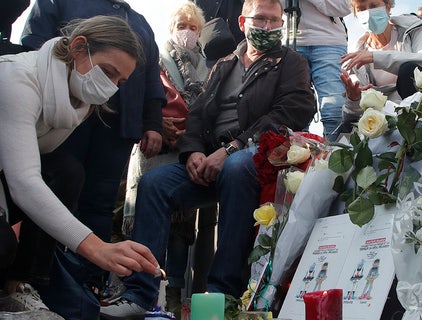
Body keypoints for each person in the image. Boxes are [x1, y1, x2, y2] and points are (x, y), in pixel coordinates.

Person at [99, 0, 316, 317]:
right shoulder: (224, 64)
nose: (268, 28)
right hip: (211, 157)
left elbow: (292, 111)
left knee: (237, 167)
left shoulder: (291, 63)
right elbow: (198, 115)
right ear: (242, 22)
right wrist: (193, 153)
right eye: (261, 20)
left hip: (255, 155)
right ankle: (139, 295)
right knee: (154, 184)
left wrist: (230, 149)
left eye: (274, 21)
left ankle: (222, 294)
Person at [0, 16, 158, 313]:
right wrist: (98, 248)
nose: (110, 87)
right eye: (108, 72)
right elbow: (24, 182)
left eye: (119, 81)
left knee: (66, 171)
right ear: (78, 47)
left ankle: (20, 285)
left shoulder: (77, 102)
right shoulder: (16, 79)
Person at [116, 1, 212, 314]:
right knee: (151, 213)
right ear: (171, 29)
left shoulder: (210, 66)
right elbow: (145, 94)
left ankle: (174, 294)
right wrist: (156, 122)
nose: (187, 32)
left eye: (193, 27)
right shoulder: (153, 58)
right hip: (156, 146)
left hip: (190, 148)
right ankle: (139, 289)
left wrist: (192, 135)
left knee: (183, 227)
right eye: (181, 26)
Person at [340, 0, 422, 125]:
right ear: (355, 14)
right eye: (361, 9)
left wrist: (376, 57)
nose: (368, 13)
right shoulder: (356, 57)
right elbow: (352, 116)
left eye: (373, 6)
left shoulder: (411, 29)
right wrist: (354, 99)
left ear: (388, 6)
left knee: (408, 70)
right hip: (386, 123)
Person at [280, 0, 351, 141]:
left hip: (329, 42)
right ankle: (299, 158)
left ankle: (335, 156)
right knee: (295, 110)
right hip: (288, 42)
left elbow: (346, 7)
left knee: (334, 108)